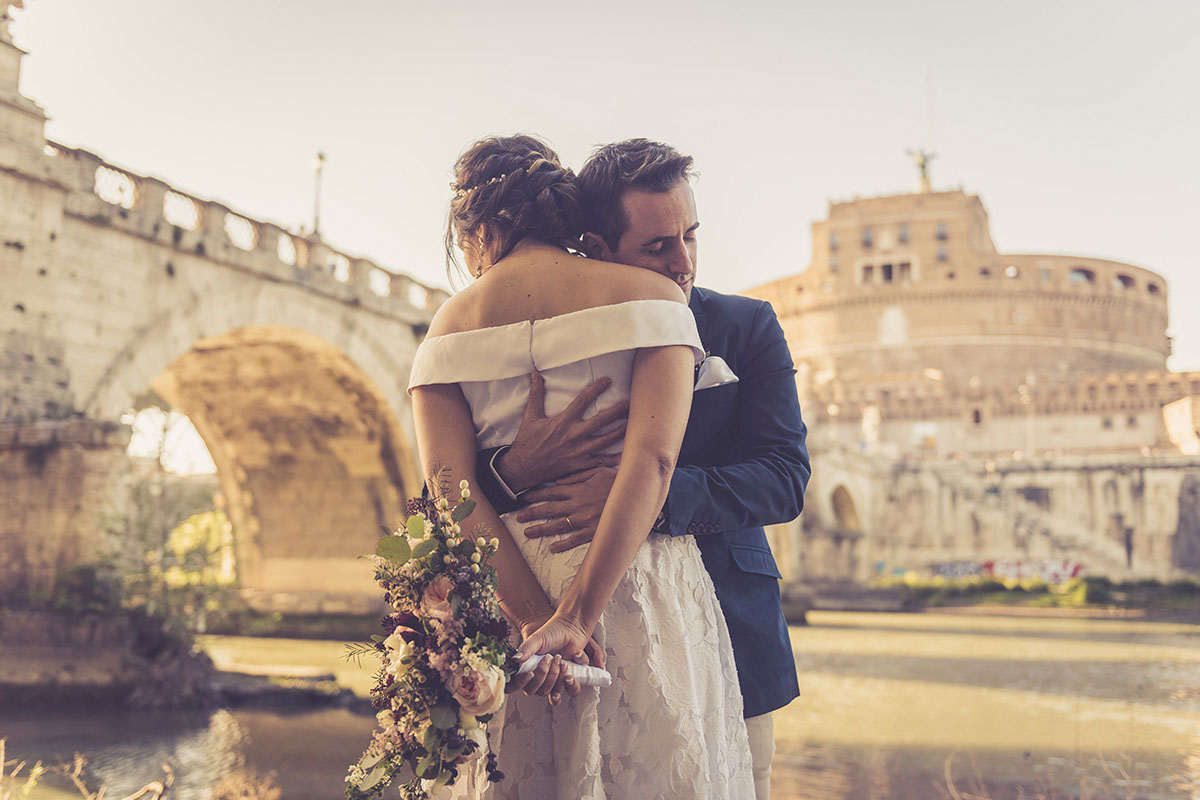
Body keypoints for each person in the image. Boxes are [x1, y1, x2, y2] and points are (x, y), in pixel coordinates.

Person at [407, 134, 754, 799]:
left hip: (510, 588)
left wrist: (538, 622)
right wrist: (578, 615)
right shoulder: (652, 298)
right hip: (631, 579)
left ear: (474, 230)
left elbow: (450, 494)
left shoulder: (447, 329)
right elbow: (652, 462)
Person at [473, 139, 810, 800]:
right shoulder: (535, 334)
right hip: (557, 645)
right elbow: (456, 486)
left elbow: (784, 476)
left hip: (728, 641)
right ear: (595, 247)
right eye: (658, 246)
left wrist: (650, 495)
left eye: (690, 237)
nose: (682, 263)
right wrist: (515, 468)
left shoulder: (746, 327)